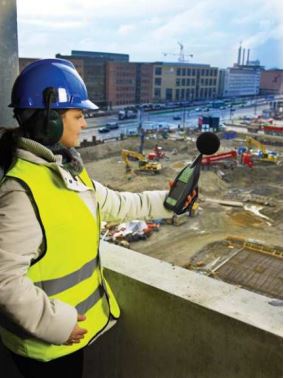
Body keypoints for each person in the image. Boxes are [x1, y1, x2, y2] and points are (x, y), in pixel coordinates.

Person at [0, 59, 196, 378]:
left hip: (67, 339)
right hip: (45, 348)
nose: (85, 125)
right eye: (78, 116)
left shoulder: (66, 173)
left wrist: (170, 203)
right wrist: (55, 324)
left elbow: (116, 203)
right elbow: (3, 279)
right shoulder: (20, 192)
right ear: (49, 120)